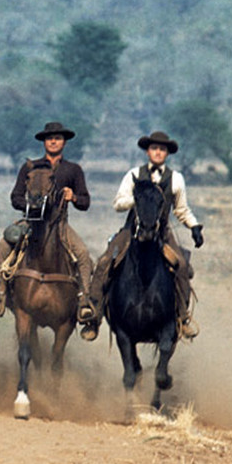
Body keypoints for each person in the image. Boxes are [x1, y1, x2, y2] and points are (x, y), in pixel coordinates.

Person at [80, 131, 204, 341]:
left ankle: (183, 317)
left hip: (162, 233)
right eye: (154, 148)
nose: (158, 152)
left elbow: (181, 209)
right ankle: (94, 315)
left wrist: (194, 226)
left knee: (181, 264)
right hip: (133, 230)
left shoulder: (176, 179)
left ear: (167, 154)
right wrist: (137, 199)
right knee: (104, 262)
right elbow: (118, 203)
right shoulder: (133, 175)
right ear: (148, 151)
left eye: (162, 149)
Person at [0, 121, 94, 321]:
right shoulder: (30, 167)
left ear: (64, 142)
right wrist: (28, 204)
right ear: (44, 142)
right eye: (49, 138)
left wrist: (74, 197)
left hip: (59, 224)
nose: (53, 142)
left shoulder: (73, 169)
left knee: (83, 254)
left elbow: (85, 202)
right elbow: (15, 197)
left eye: (57, 138)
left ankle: (84, 300)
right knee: (2, 246)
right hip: (30, 222)